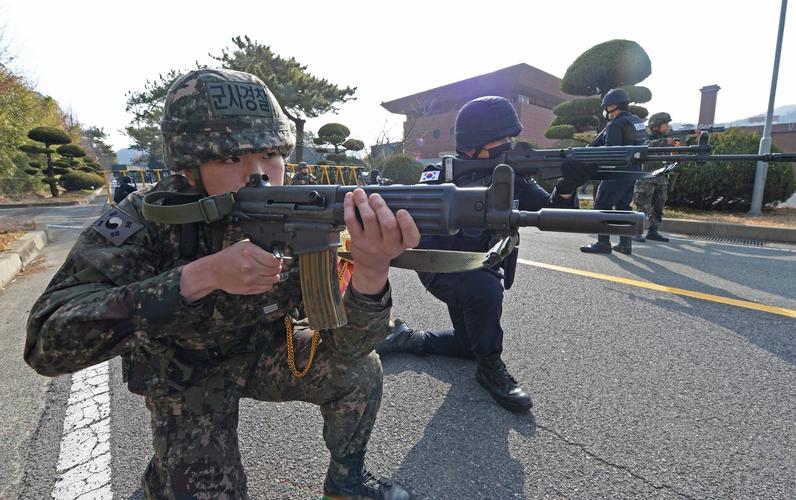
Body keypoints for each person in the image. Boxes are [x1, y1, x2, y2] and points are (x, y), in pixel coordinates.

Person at [24, 69, 418, 500]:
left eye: (270, 154)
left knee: (360, 371)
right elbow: (47, 341)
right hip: (186, 375)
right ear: (190, 168)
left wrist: (372, 272)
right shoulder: (147, 219)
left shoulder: (302, 210)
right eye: (230, 158)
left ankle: (346, 482)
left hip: (264, 353)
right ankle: (166, 479)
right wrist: (198, 278)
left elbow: (348, 346)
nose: (258, 175)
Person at [375, 96, 593, 413]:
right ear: (474, 145)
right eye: (501, 140)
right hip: (441, 269)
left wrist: (567, 186)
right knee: (483, 289)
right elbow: (420, 219)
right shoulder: (441, 174)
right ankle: (490, 369)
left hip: (480, 267)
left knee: (468, 343)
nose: (508, 146)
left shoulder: (511, 177)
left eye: (510, 139)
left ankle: (410, 338)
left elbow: (554, 214)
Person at [580, 88, 648, 255]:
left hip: (617, 172)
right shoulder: (636, 120)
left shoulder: (616, 124)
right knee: (623, 207)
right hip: (633, 171)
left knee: (602, 205)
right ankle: (625, 244)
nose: (605, 110)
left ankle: (603, 243)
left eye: (606, 106)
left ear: (612, 106)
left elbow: (610, 152)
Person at [633, 112, 674, 243]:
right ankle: (636, 232)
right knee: (643, 207)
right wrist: (664, 141)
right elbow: (645, 145)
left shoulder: (667, 138)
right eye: (665, 124)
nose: (667, 126)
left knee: (658, 206)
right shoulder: (646, 136)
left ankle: (653, 231)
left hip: (661, 178)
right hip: (647, 178)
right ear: (656, 125)